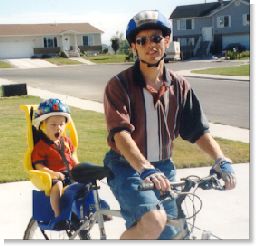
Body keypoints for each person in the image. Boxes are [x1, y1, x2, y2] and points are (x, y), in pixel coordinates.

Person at [103, 10, 236, 240]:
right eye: (141, 40)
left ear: (166, 41)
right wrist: (145, 168)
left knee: (174, 234)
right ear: (134, 47)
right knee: (154, 222)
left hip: (164, 167)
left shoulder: (179, 86)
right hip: (126, 167)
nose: (149, 45)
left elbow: (198, 130)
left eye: (156, 38)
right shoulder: (119, 85)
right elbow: (121, 135)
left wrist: (221, 159)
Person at [31, 98, 78, 219]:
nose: (58, 128)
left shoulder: (66, 141)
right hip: (53, 177)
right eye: (53, 125)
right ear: (42, 125)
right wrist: (53, 173)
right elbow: (38, 165)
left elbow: (72, 157)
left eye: (61, 124)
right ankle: (58, 214)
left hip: (69, 174)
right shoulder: (41, 146)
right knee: (57, 186)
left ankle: (93, 208)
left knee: (88, 182)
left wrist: (79, 167)